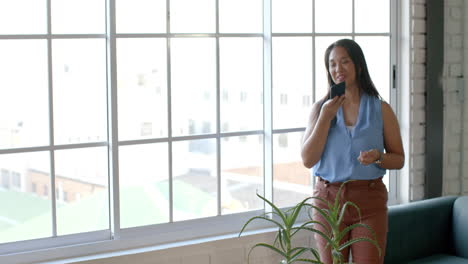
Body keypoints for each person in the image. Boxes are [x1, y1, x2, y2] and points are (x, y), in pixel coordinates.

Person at [301, 39, 404, 264]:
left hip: (369, 200)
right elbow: (308, 159)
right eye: (332, 64)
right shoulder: (320, 109)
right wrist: (326, 118)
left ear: (358, 66)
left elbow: (399, 159)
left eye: (345, 62)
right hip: (328, 199)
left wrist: (378, 157)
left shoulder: (380, 108)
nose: (338, 69)